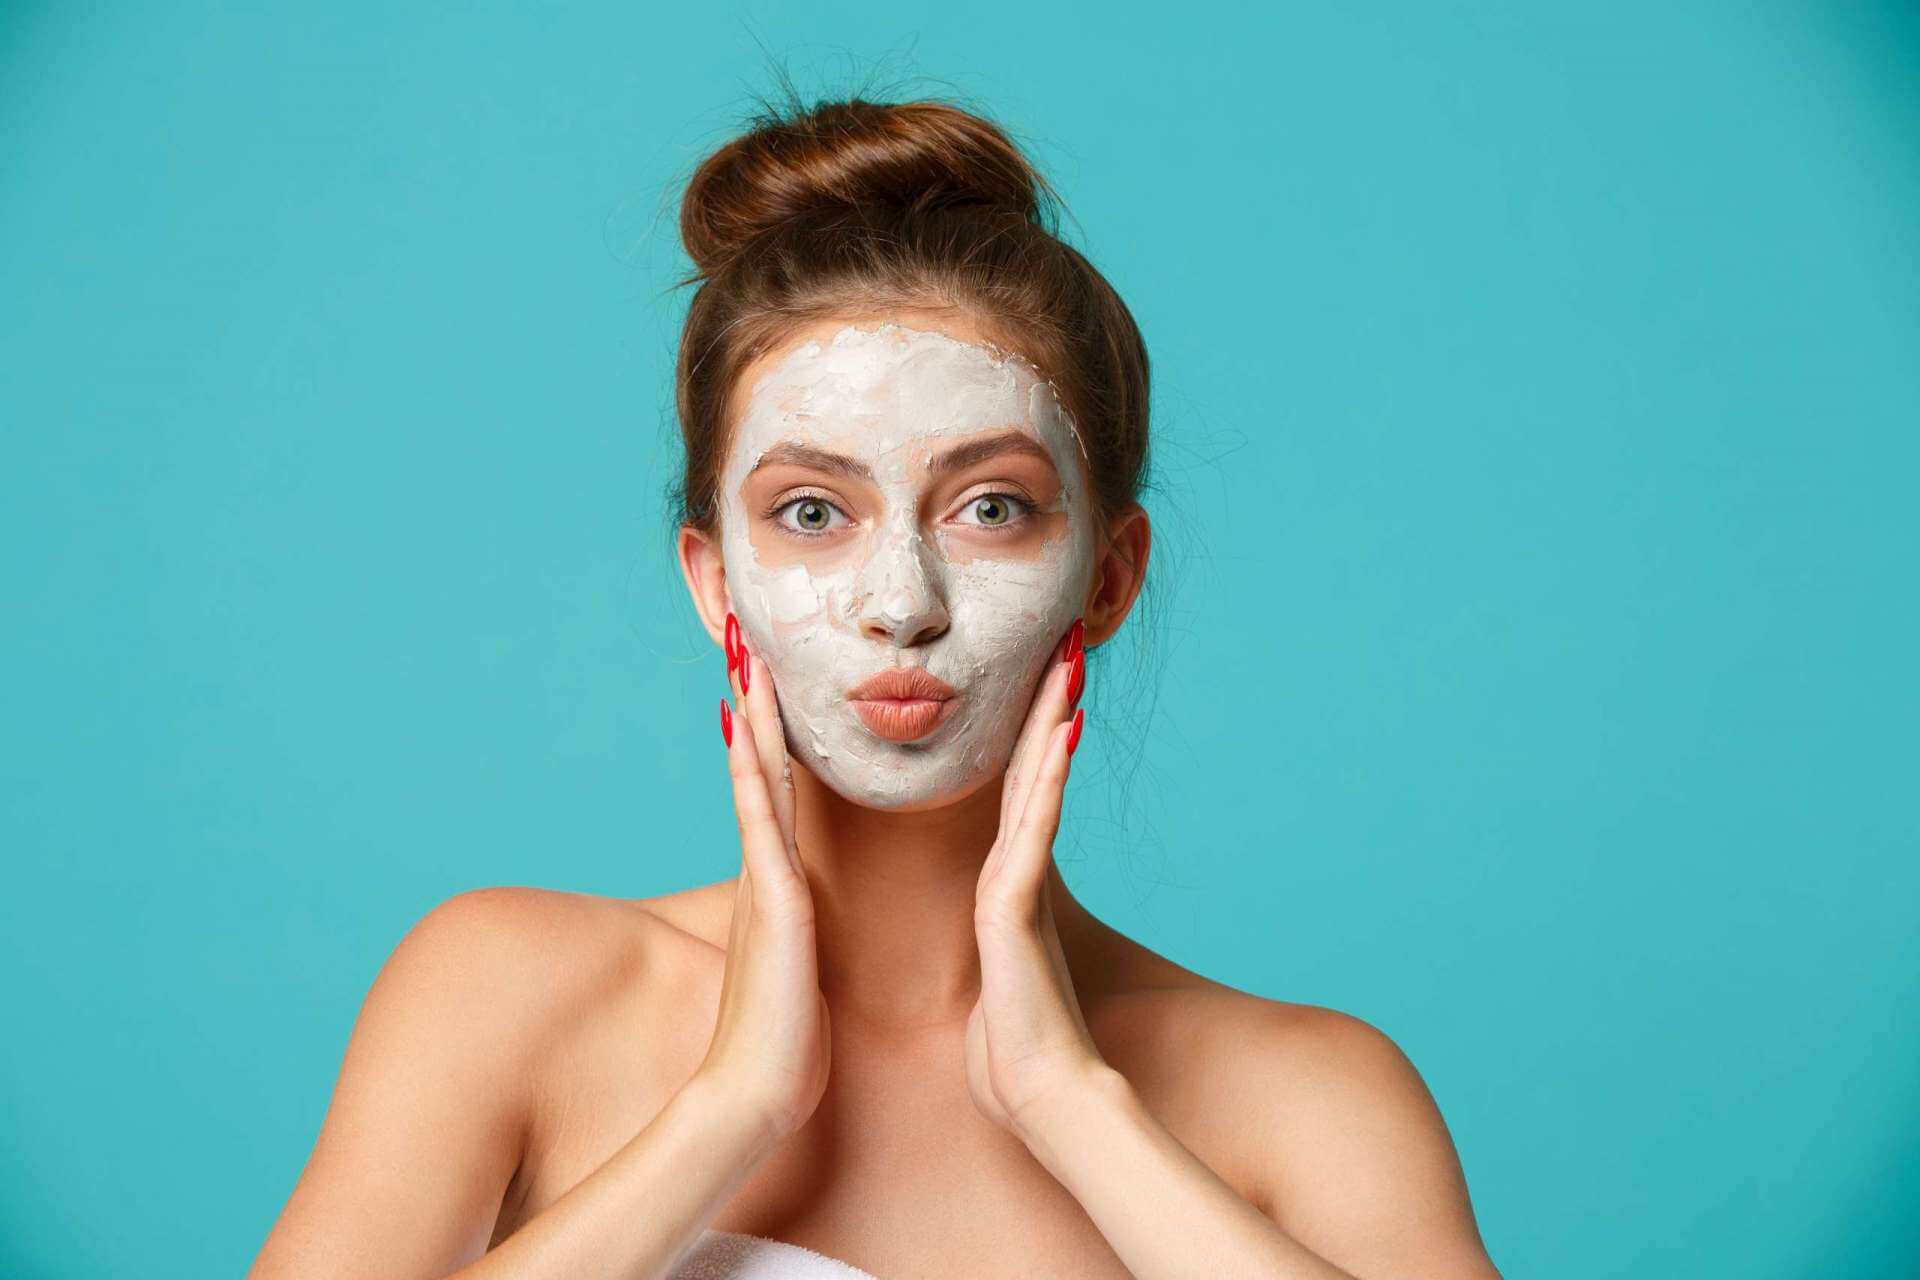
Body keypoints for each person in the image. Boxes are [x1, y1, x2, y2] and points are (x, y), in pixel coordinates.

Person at [248, 95, 1503, 1280]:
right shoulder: (510, 990)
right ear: (715, 581)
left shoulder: (1312, 1095)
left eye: (992, 506)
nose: (901, 600)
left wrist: (1073, 1104)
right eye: (810, 510)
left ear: (1109, 576)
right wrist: (727, 1111)